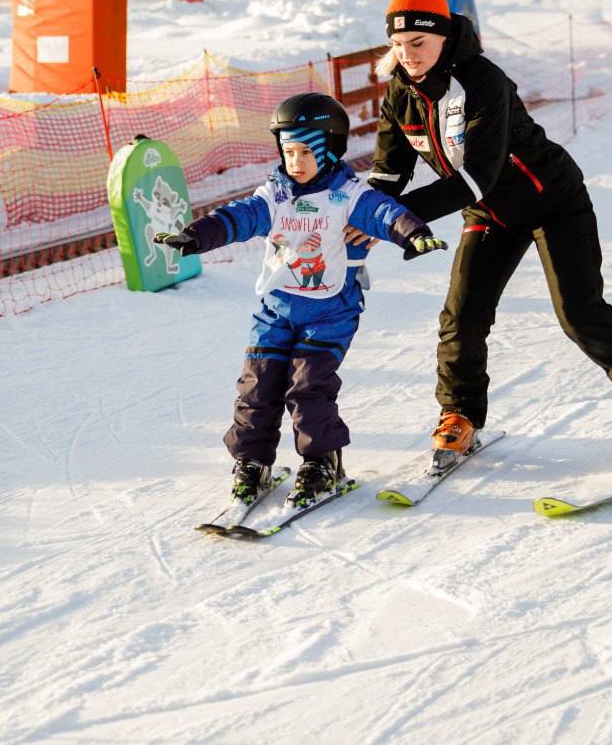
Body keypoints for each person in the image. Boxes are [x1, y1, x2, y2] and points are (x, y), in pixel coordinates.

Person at [359, 0, 612, 482]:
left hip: (553, 202)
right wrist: (364, 220)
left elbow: (477, 176)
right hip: (491, 214)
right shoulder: (399, 93)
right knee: (462, 313)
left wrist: (401, 218)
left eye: (419, 42)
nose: (409, 55)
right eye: (400, 44)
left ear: (442, 37)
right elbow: (389, 175)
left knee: (581, 315)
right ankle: (459, 415)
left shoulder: (483, 83)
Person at [154, 92, 446, 506]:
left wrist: (413, 233)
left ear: (330, 150)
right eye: (288, 151)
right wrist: (196, 236)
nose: (295, 162)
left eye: (306, 151)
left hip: (330, 312)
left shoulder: (348, 195)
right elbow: (239, 217)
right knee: (257, 387)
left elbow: (384, 214)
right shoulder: (275, 194)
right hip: (275, 309)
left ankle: (321, 461)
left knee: (309, 388)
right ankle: (253, 461)